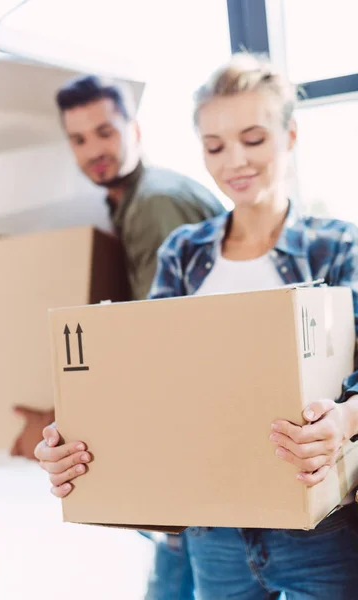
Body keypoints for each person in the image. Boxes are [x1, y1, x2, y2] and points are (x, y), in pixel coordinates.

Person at [35, 53, 358, 598]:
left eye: (253, 139)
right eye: (214, 146)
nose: (235, 160)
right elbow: (146, 388)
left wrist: (345, 420)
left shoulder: (339, 245)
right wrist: (71, 443)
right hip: (216, 537)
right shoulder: (182, 252)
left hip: (322, 532)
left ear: (290, 136)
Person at [15, 74, 224, 599]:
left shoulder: (156, 204)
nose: (94, 151)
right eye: (79, 139)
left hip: (195, 449)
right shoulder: (131, 203)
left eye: (105, 132)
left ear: (134, 129)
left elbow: (163, 342)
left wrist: (69, 419)